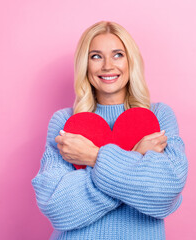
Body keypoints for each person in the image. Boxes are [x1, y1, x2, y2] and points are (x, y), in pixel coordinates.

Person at [31, 21, 188, 240]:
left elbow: (164, 194)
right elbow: (57, 207)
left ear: (130, 61)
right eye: (96, 56)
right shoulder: (65, 122)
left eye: (117, 55)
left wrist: (94, 157)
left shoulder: (158, 117)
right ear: (85, 65)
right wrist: (137, 157)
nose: (107, 66)